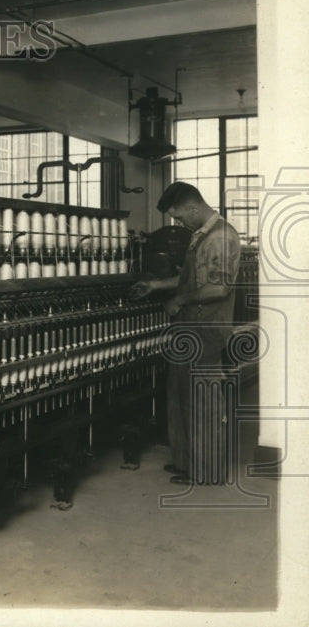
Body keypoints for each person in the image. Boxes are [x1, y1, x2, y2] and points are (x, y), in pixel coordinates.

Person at [131, 182, 241, 486]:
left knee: (202, 402)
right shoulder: (201, 235)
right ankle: (187, 462)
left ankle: (207, 471)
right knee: (181, 395)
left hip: (207, 328)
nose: (179, 224)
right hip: (190, 326)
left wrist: (179, 300)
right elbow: (188, 278)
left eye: (179, 218)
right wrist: (156, 286)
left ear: (193, 208)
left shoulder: (220, 237)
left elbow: (218, 287)